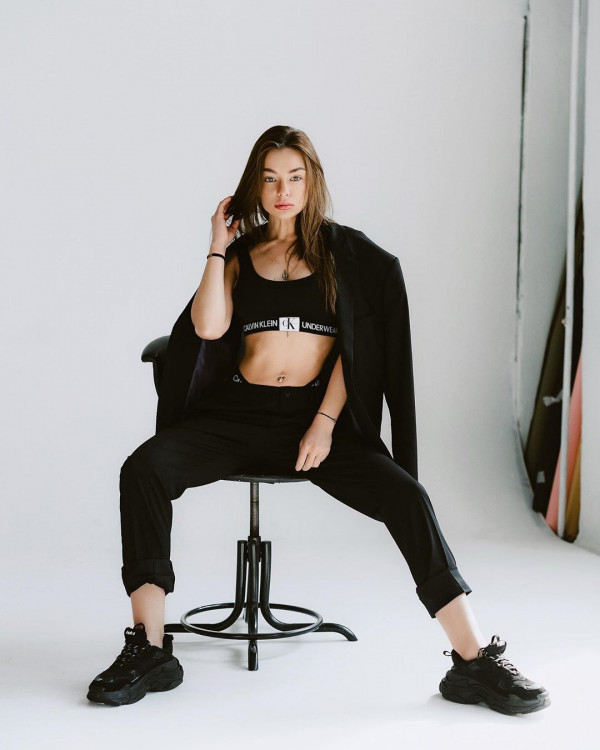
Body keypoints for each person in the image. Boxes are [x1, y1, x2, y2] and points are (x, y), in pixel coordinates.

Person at [87, 126, 550, 715]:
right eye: (271, 179)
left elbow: (359, 351)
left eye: (295, 177)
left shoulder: (347, 258)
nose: (283, 191)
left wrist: (326, 422)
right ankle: (150, 649)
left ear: (313, 183)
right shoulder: (239, 256)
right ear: (256, 186)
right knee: (143, 470)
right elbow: (206, 327)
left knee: (405, 496)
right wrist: (216, 244)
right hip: (236, 416)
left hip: (314, 424)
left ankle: (474, 660)